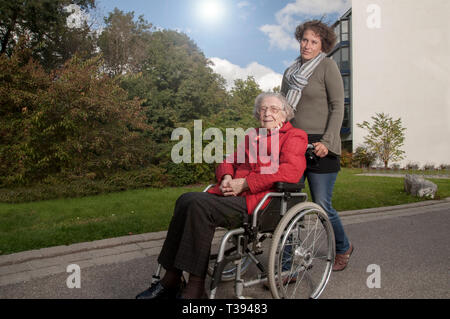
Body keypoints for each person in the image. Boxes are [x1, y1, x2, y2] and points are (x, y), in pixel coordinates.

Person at [135, 92, 308, 299]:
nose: (266, 113)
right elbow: (228, 160)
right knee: (186, 200)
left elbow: (290, 172)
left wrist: (245, 183)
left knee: (198, 205)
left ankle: (195, 287)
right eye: (262, 109)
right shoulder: (252, 136)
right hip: (233, 196)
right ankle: (172, 277)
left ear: (284, 114)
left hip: (260, 203)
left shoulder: (295, 136)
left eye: (273, 109)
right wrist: (226, 176)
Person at [281, 20, 353, 271]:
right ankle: (288, 264)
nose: (307, 45)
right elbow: (283, 110)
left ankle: (343, 247)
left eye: (314, 41)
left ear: (322, 45)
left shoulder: (327, 65)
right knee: (287, 203)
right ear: (299, 40)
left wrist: (327, 141)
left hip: (322, 144)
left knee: (322, 204)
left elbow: (337, 106)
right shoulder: (290, 73)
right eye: (304, 40)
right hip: (293, 143)